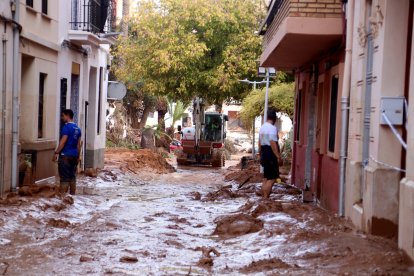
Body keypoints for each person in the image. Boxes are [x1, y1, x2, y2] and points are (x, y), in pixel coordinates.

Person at [53, 109, 82, 195]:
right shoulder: (78, 129)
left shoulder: (66, 127)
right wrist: (78, 156)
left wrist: (56, 152)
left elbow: (63, 142)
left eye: (63, 116)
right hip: (74, 156)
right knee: (72, 177)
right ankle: (72, 197)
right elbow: (78, 145)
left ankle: (63, 199)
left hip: (65, 155)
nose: (62, 118)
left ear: (68, 116)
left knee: (64, 178)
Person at [258, 110, 282, 198]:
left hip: (264, 153)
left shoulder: (262, 127)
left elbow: (259, 142)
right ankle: (265, 198)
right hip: (270, 154)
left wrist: (260, 154)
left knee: (266, 177)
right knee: (272, 179)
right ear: (274, 119)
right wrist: (278, 156)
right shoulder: (272, 128)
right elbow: (272, 142)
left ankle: (263, 198)